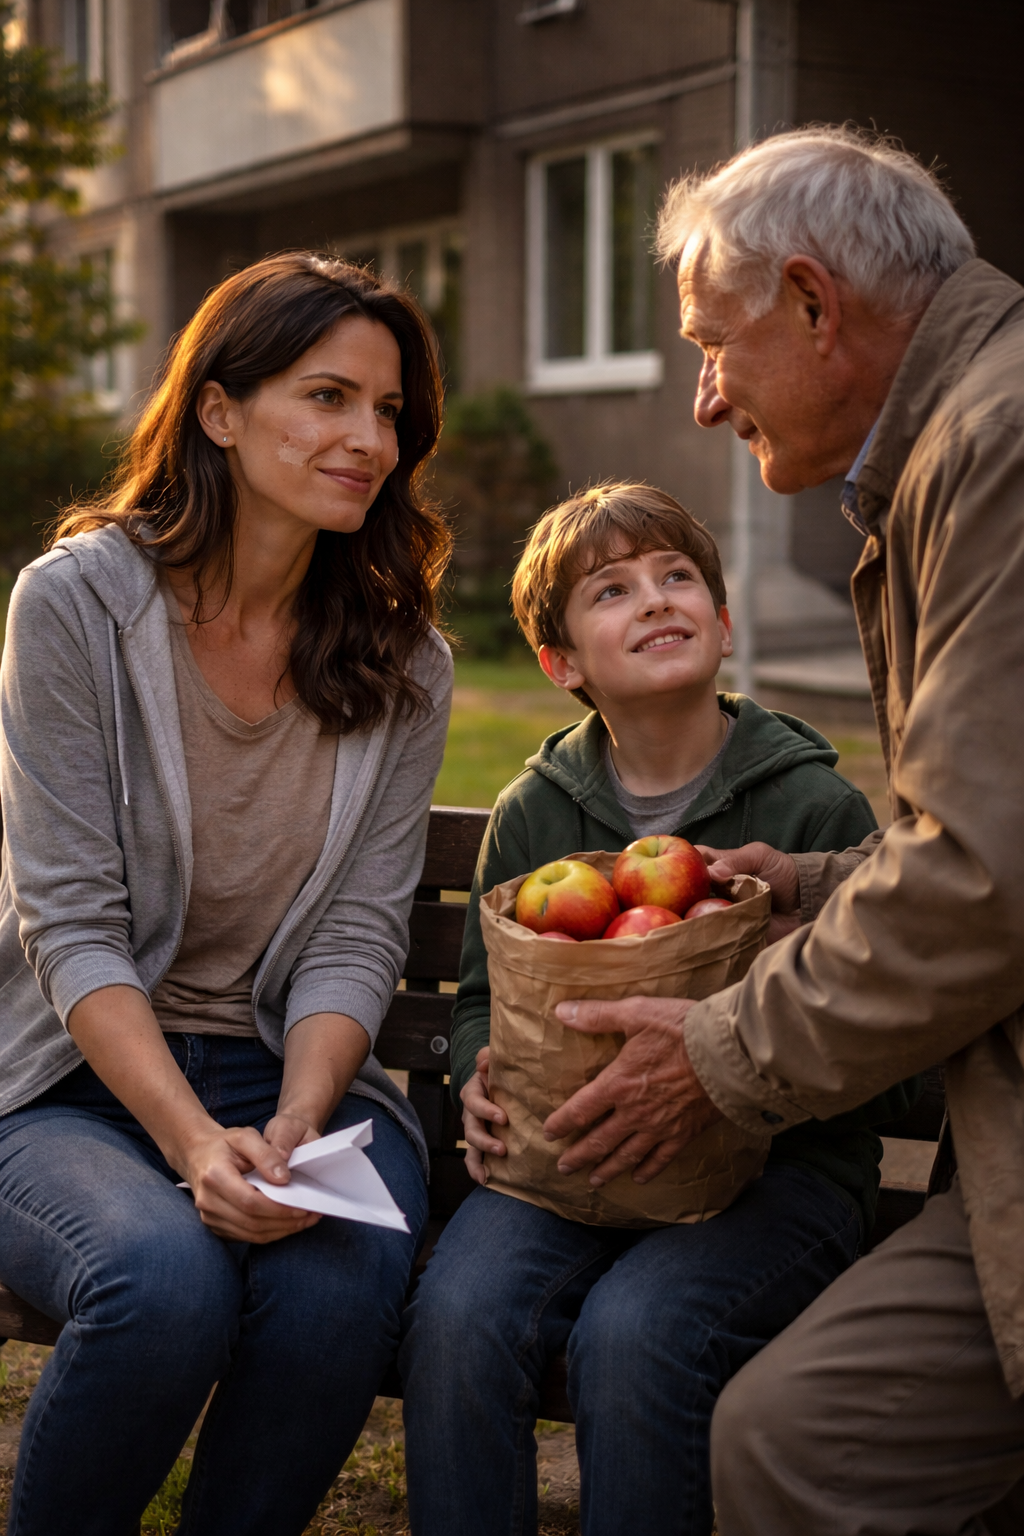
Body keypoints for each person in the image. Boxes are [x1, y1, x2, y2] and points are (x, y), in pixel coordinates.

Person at [537, 128, 1024, 1534]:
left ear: (815, 304)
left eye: (711, 344)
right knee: (800, 1439)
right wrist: (818, 882)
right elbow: (981, 833)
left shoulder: (995, 445)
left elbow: (987, 877)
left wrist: (723, 1053)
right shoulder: (957, 443)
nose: (702, 401)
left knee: (802, 1444)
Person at [0, 252, 453, 1536]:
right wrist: (193, 1145)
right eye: (327, 398)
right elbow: (69, 922)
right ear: (218, 409)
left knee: (346, 1275)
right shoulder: (79, 605)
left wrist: (303, 1119)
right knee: (161, 1276)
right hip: (62, 1082)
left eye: (387, 414)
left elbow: (361, 928)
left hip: (279, 1073)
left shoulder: (403, 658)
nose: (367, 439)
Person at [400, 482, 918, 1536]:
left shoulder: (812, 805)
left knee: (638, 1331)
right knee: (455, 1315)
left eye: (677, 576)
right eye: (612, 589)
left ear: (723, 625)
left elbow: (878, 1027)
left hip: (775, 1181)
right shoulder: (535, 814)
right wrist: (475, 1072)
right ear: (563, 665)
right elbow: (481, 998)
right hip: (567, 1164)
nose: (654, 599)